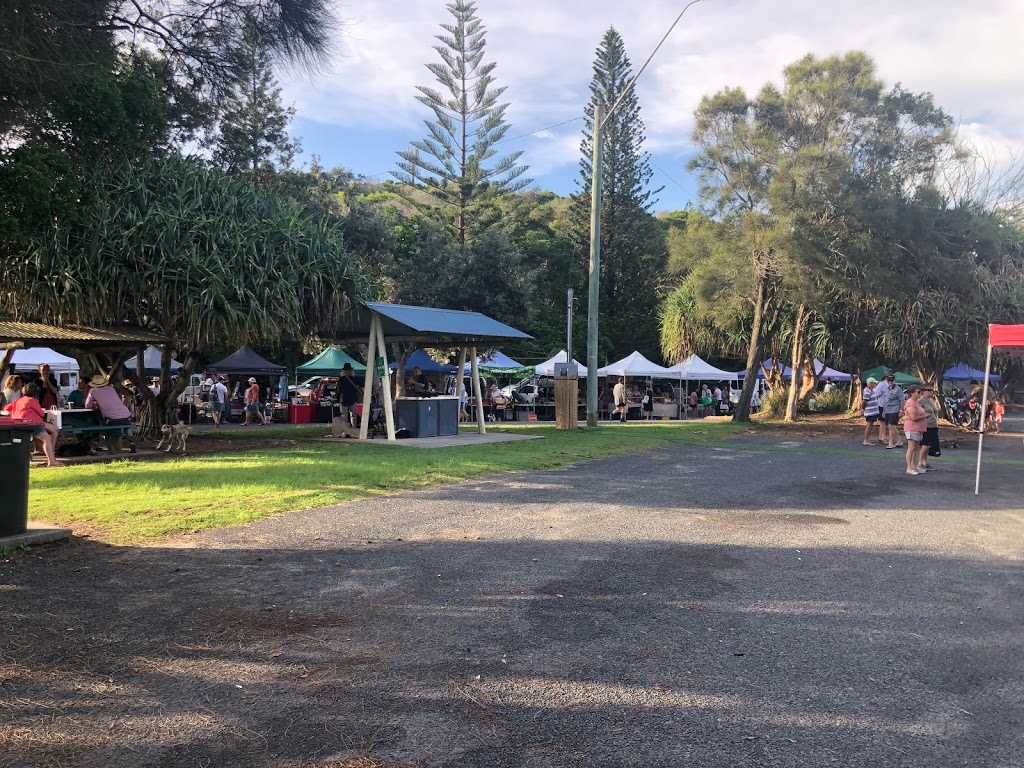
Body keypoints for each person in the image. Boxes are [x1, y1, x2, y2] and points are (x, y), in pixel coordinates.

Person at [7, 383, 60, 467]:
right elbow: (41, 414)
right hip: (32, 423)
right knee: (47, 437)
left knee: (55, 429)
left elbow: (6, 409)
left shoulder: (18, 401)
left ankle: (51, 456)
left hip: (20, 423)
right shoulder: (32, 400)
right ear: (36, 393)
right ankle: (51, 460)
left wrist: (17, 413)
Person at [84, 374, 136, 453]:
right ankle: (132, 442)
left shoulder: (93, 391)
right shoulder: (111, 389)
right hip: (127, 415)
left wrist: (95, 404)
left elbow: (87, 406)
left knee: (114, 433)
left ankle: (117, 452)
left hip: (113, 419)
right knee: (126, 427)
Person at [901, 384, 927, 475]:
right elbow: (913, 417)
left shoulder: (916, 402)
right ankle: (909, 467)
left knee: (916, 448)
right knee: (911, 448)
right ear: (912, 393)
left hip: (919, 428)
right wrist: (925, 416)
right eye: (918, 392)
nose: (920, 394)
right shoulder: (910, 403)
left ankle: (914, 466)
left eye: (921, 392)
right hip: (912, 427)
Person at [917, 385, 940, 471]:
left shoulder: (930, 400)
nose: (931, 392)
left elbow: (934, 411)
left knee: (929, 445)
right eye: (929, 390)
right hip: (925, 425)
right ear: (923, 391)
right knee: (925, 444)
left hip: (933, 424)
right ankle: (919, 463)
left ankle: (925, 462)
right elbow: (915, 411)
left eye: (932, 390)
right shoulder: (920, 400)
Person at [336, 363, 362, 428]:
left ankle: (345, 430)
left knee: (344, 416)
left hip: (344, 399)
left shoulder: (341, 379)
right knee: (353, 415)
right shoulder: (355, 379)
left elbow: (339, 390)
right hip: (352, 398)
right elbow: (361, 384)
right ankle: (353, 428)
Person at [882, 374, 904, 449]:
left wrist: (901, 411)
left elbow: (902, 400)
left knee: (891, 426)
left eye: (891, 380)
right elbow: (885, 400)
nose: (890, 382)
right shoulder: (887, 388)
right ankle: (899, 441)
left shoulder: (898, 389)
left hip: (894, 410)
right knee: (891, 426)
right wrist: (884, 411)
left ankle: (891, 442)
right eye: (889, 381)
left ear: (894, 381)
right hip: (887, 410)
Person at [861, 377, 880, 446]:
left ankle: (867, 439)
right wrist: (862, 409)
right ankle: (866, 440)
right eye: (874, 383)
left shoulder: (871, 390)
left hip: (872, 411)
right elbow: (864, 401)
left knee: (870, 425)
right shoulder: (867, 391)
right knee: (869, 425)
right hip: (869, 412)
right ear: (870, 383)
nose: (875, 384)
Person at [872, 374, 890, 443]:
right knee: (883, 421)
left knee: (884, 421)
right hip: (882, 404)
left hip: (886, 404)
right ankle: (882, 437)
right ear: (886, 378)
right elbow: (876, 394)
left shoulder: (888, 384)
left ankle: (881, 436)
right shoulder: (882, 384)